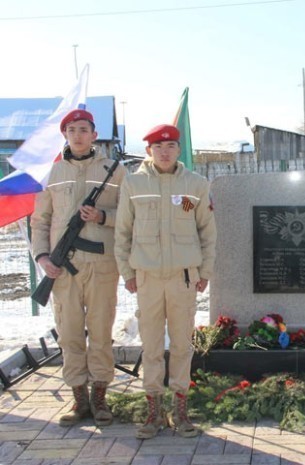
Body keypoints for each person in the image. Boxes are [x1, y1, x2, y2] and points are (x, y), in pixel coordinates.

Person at [114, 124, 216, 439]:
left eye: (171, 146)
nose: (165, 151)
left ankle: (181, 411)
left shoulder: (196, 184)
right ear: (149, 151)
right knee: (153, 344)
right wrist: (127, 273)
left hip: (184, 278)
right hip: (147, 278)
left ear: (178, 149)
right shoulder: (133, 183)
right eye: (159, 147)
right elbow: (122, 233)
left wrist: (206, 272)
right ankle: (154, 413)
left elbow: (208, 232)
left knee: (183, 344)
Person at [31, 109, 126, 427]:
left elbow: (129, 216)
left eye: (84, 129)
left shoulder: (115, 171)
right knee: (70, 335)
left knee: (100, 334)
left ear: (94, 134)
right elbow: (40, 221)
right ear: (65, 135)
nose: (78, 134)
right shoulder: (52, 173)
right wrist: (43, 258)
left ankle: (100, 399)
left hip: (102, 266)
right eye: (72, 129)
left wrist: (103, 217)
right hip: (61, 270)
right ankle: (78, 400)